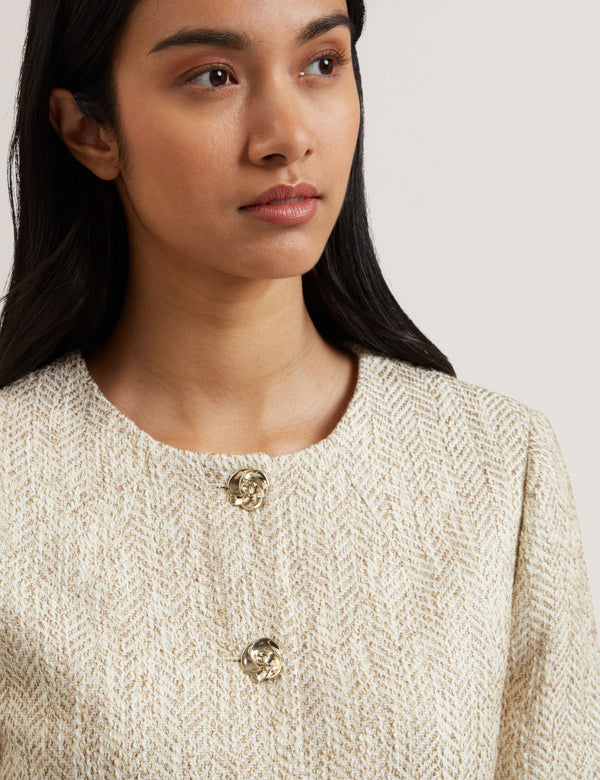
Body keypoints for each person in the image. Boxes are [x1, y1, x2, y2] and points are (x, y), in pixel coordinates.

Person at [0, 0, 598, 776]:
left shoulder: (496, 466)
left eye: (322, 63)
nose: (287, 136)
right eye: (213, 76)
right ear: (89, 129)